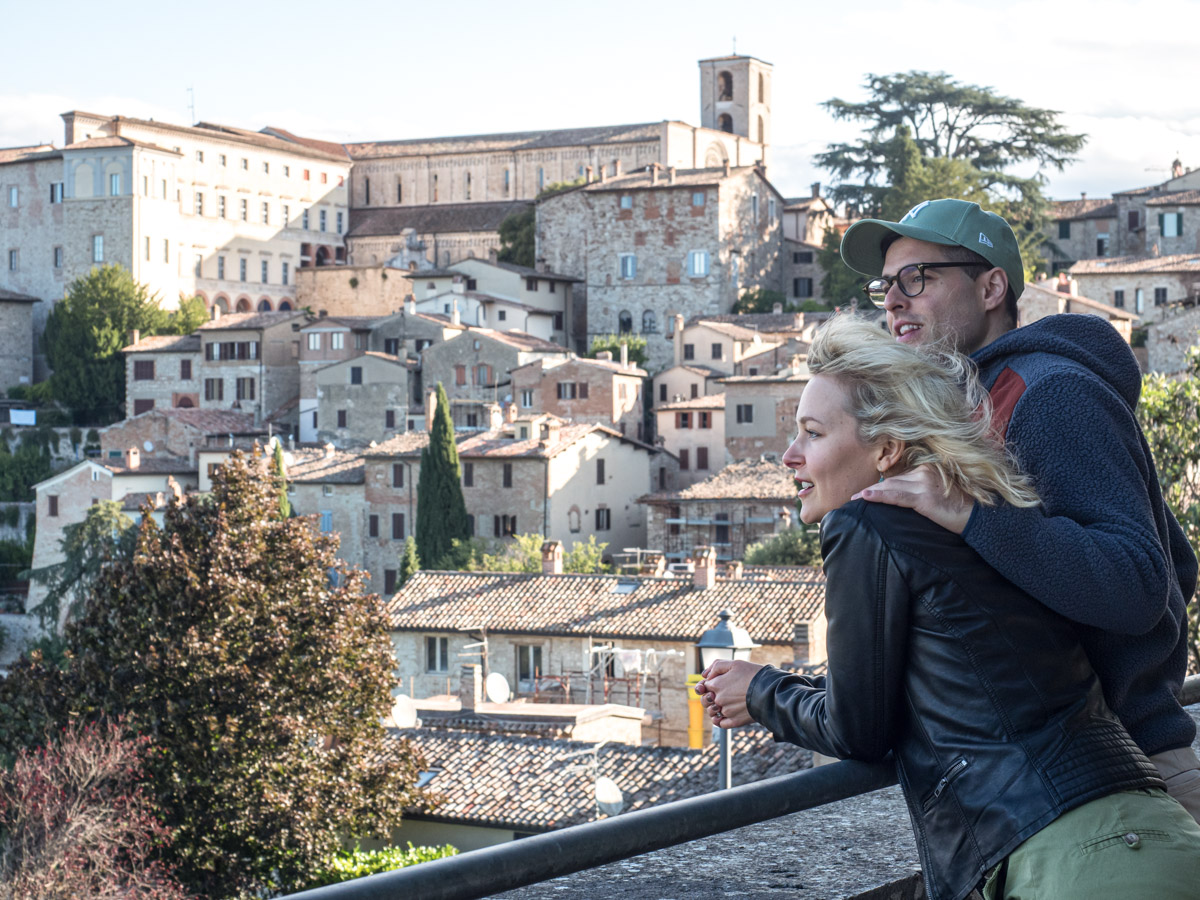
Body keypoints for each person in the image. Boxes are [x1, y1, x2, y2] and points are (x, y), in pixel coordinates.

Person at [697, 315, 1200, 900]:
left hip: (1070, 861)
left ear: (886, 449)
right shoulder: (982, 515)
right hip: (1151, 832)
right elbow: (938, 679)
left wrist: (762, 692)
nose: (789, 455)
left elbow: (858, 729)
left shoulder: (865, 522)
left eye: (812, 433)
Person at [834, 198, 1200, 821]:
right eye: (884, 285)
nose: (893, 300)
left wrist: (976, 519)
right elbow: (1179, 563)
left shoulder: (1050, 393)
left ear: (991, 287)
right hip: (1070, 790)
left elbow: (1142, 582)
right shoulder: (978, 405)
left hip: (1132, 786)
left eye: (916, 278)